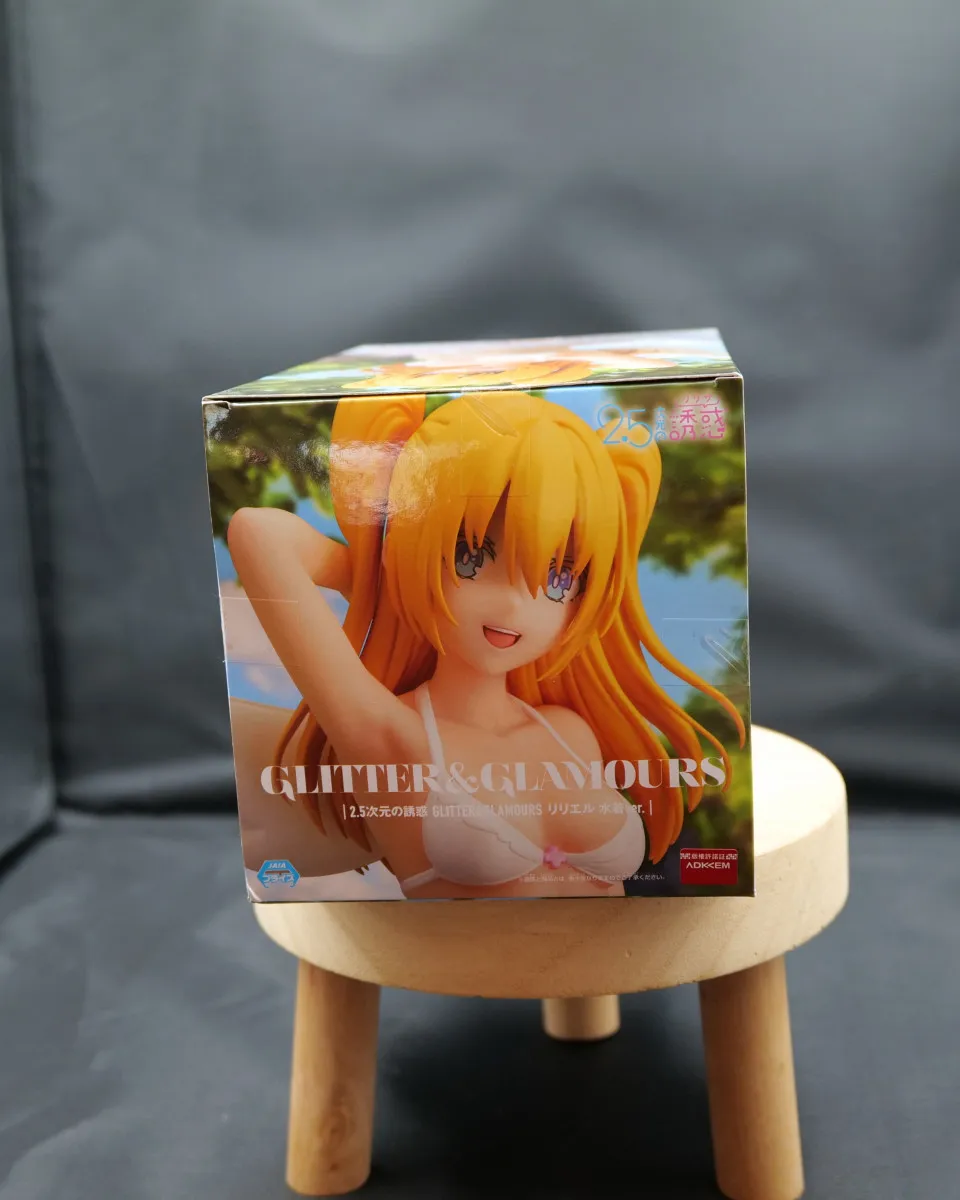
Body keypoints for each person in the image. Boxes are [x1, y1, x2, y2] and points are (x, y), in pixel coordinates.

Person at [227, 390, 743, 899]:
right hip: (461, 953)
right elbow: (257, 533)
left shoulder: (568, 731)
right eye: (469, 558)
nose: (514, 606)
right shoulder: (392, 737)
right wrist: (391, 577)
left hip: (618, 948)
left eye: (560, 578)